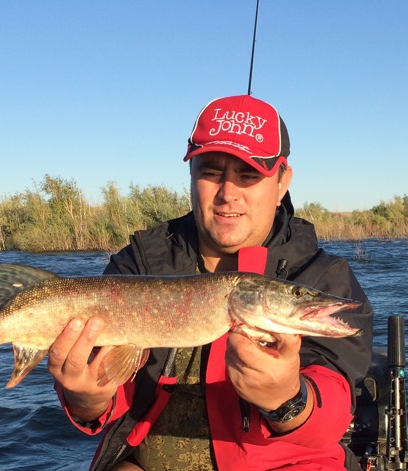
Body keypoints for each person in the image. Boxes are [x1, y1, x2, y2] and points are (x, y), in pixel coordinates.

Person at [47, 95, 374, 470]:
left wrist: (289, 399)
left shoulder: (322, 274)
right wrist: (86, 398)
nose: (227, 193)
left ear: (283, 180)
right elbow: (108, 391)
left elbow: (331, 409)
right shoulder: (139, 262)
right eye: (211, 171)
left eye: (249, 175)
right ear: (191, 174)